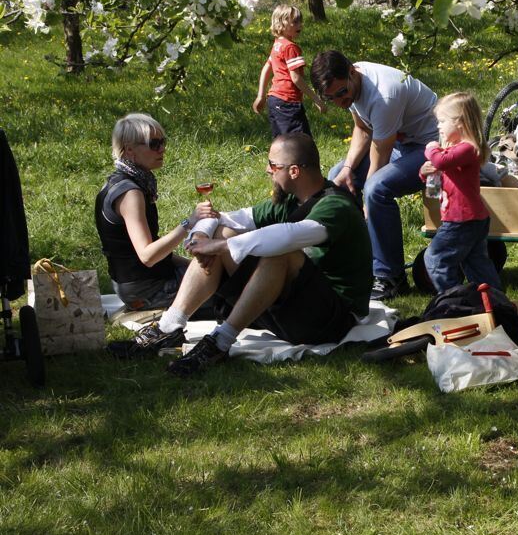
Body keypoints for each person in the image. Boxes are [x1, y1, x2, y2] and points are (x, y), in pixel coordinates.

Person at [122, 133, 373, 376]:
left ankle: (220, 342)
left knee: (278, 252)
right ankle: (170, 326)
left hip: (333, 320)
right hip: (298, 310)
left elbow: (289, 235)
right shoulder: (290, 200)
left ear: (294, 171)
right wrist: (201, 238)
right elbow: (230, 218)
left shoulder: (336, 207)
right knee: (224, 232)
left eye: (273, 165)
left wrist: (221, 248)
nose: (267, 170)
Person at [310, 50, 439, 300]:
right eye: (331, 98)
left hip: (432, 147)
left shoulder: (384, 94)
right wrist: (347, 169)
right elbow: (362, 128)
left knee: (376, 190)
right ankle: (358, 258)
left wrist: (368, 199)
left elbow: (381, 150)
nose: (339, 101)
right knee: (337, 174)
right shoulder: (351, 85)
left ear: (352, 72)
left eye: (341, 93)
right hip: (401, 143)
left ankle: (391, 276)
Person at [95, 113, 217, 311]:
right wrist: (189, 223)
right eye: (153, 144)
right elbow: (147, 256)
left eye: (162, 141)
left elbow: (150, 246)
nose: (162, 149)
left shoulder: (127, 182)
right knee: (230, 296)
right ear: (129, 151)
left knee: (217, 271)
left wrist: (190, 265)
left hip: (145, 280)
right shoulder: (130, 193)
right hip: (146, 289)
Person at [419, 92, 501, 293]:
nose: (438, 126)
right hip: (470, 219)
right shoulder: (454, 150)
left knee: (435, 258)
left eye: (442, 121)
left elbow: (439, 161)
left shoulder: (468, 149)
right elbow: (439, 175)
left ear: (460, 122)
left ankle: (453, 298)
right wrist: (424, 172)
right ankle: (495, 303)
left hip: (462, 220)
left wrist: (430, 148)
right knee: (477, 265)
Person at [252, 5, 327, 137]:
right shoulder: (291, 47)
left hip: (274, 100)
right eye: (295, 22)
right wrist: (316, 100)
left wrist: (261, 95)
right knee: (300, 143)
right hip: (288, 103)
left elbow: (266, 69)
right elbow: (296, 78)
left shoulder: (278, 44)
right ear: (281, 24)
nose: (300, 25)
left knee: (281, 142)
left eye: (300, 21)